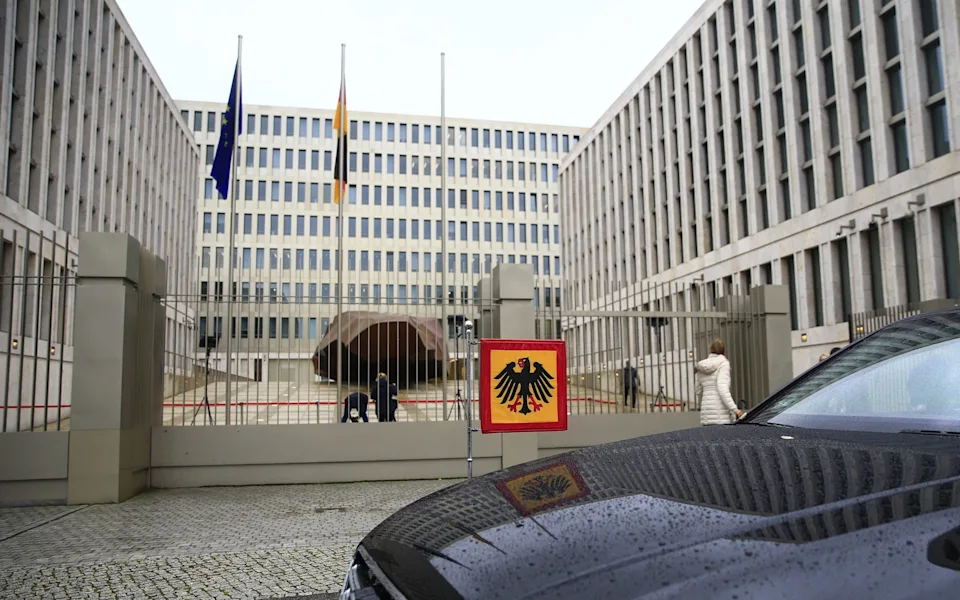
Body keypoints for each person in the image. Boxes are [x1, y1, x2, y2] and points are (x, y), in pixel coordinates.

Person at [694, 338, 742, 425]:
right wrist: (735, 409)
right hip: (721, 416)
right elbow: (722, 388)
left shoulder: (701, 366)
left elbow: (697, 390)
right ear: (723, 351)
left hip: (706, 414)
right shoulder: (723, 363)